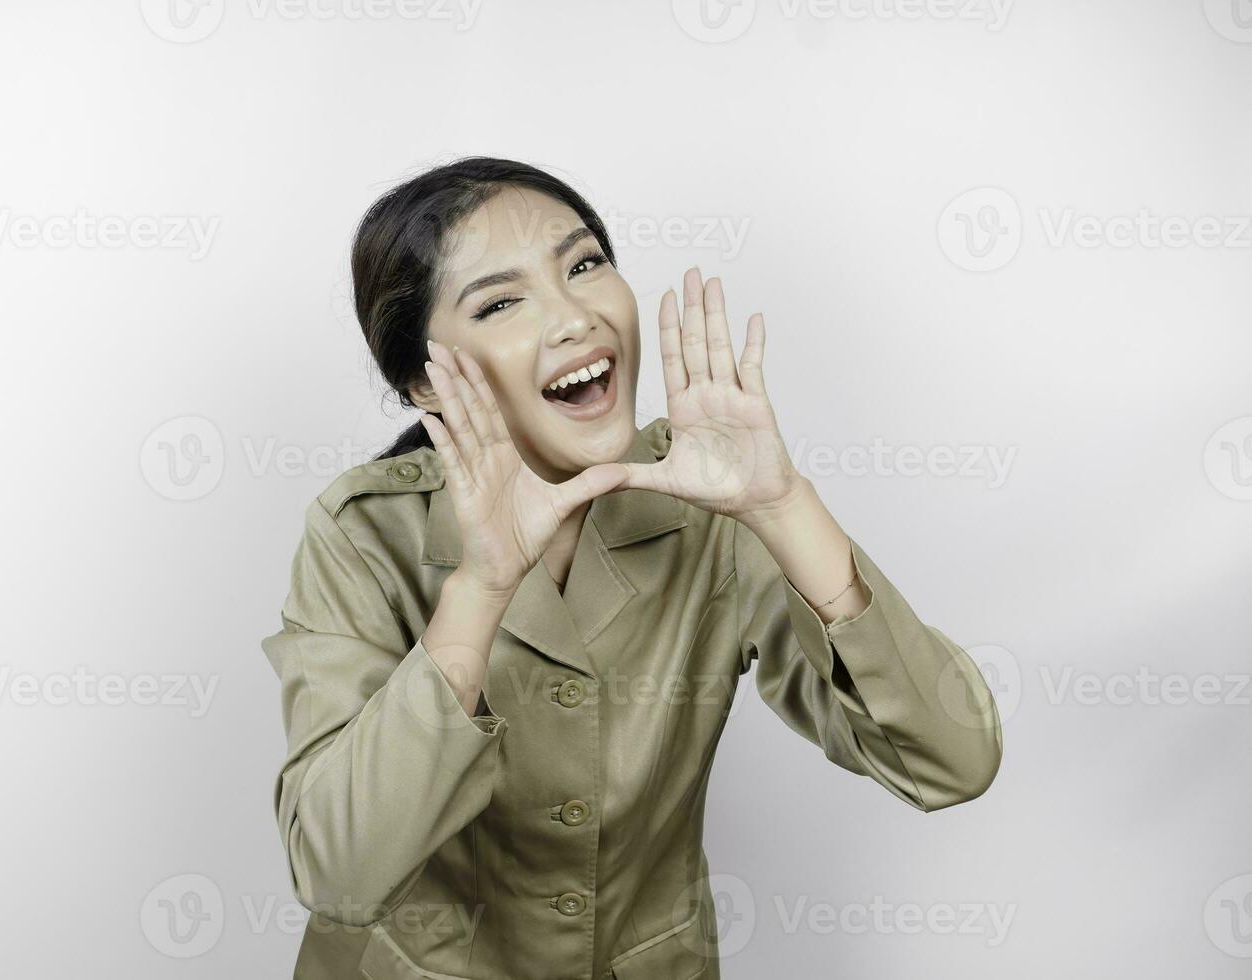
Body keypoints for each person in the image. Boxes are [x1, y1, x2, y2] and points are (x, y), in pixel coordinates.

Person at [261, 157, 1003, 979]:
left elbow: (951, 761)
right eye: (503, 302)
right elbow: (336, 875)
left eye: (584, 265)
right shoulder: (364, 533)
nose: (576, 317)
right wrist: (481, 587)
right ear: (424, 385)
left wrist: (782, 505)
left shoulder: (707, 503)